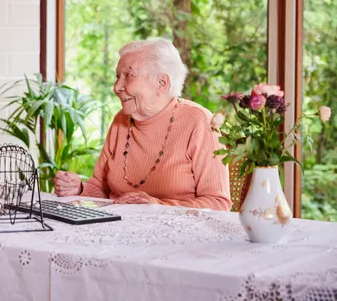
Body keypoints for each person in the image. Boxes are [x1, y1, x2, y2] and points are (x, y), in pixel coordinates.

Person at [54, 38, 232, 211]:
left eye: (128, 76)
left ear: (162, 83)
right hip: (116, 231)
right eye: (117, 77)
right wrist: (79, 189)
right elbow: (101, 189)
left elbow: (218, 203)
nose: (117, 87)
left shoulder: (198, 121)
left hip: (177, 237)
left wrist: (157, 206)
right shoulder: (121, 120)